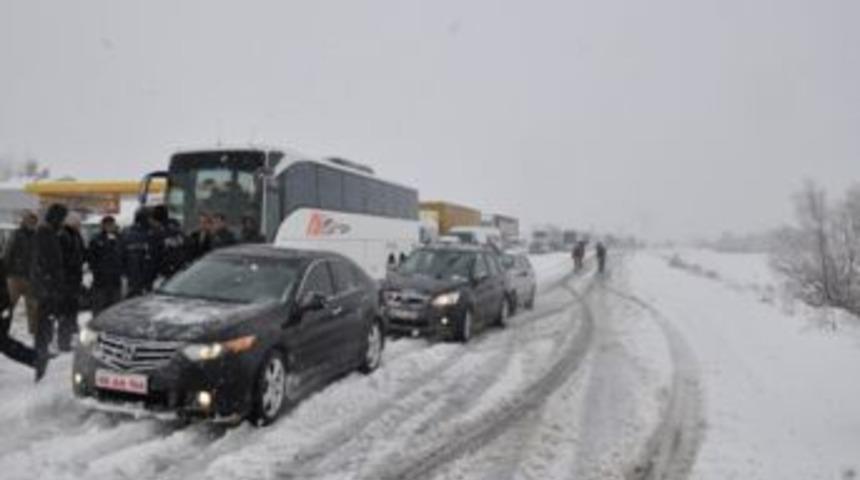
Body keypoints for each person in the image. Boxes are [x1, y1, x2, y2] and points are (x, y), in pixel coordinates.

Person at [30, 203, 69, 380]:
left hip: (49, 287)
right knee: (43, 326)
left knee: (46, 325)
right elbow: (45, 264)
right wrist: (49, 287)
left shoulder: (49, 233)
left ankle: (42, 357)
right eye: (62, 218)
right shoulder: (44, 234)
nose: (63, 222)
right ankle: (40, 361)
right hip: (46, 288)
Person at [1, 254, 40, 378]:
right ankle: (36, 359)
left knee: (4, 343)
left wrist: (4, 309)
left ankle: (36, 359)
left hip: (2, 309)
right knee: (5, 343)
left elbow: (2, 291)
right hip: (3, 308)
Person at [3, 210, 38, 336]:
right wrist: (5, 272)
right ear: (24, 221)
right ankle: (3, 329)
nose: (32, 223)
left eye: (34, 221)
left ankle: (34, 332)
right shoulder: (16, 234)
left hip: (31, 277)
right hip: (15, 277)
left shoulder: (36, 236)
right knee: (8, 305)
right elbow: (8, 253)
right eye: (30, 220)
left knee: (33, 307)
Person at [57, 213, 85, 351]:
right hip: (66, 282)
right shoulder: (63, 236)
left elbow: (81, 254)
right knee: (66, 314)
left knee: (72, 313)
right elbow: (63, 260)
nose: (80, 226)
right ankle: (63, 342)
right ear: (72, 223)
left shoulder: (75, 236)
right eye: (78, 223)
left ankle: (70, 339)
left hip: (73, 281)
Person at [88, 216, 124, 316]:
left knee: (115, 310)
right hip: (100, 282)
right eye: (107, 224)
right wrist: (97, 271)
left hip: (115, 280)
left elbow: (124, 256)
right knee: (99, 309)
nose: (110, 227)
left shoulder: (120, 238)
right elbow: (91, 258)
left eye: (111, 224)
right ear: (103, 225)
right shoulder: (96, 239)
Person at [123, 208, 158, 298]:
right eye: (150, 217)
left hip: (134, 277)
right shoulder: (152, 233)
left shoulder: (127, 232)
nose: (152, 220)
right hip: (144, 277)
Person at [152, 205, 188, 279]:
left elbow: (156, 253)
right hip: (181, 267)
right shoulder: (177, 227)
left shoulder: (158, 232)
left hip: (166, 270)